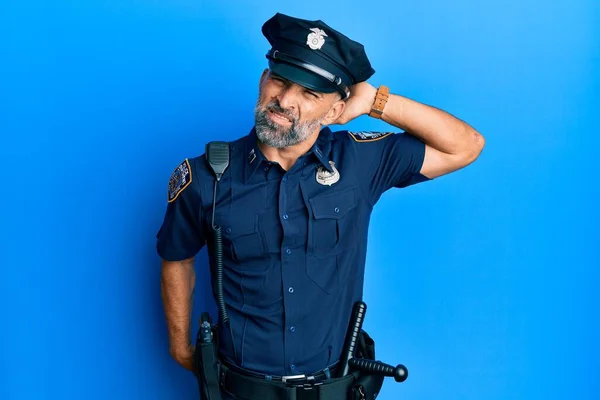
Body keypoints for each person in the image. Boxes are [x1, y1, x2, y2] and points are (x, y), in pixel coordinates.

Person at [156, 12, 485, 400]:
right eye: (279, 80)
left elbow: (465, 145)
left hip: (336, 386)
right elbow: (176, 258)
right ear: (264, 80)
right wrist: (179, 347)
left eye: (309, 94)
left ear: (334, 112)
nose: (284, 100)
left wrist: (376, 101)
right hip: (241, 390)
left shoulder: (361, 163)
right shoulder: (205, 176)